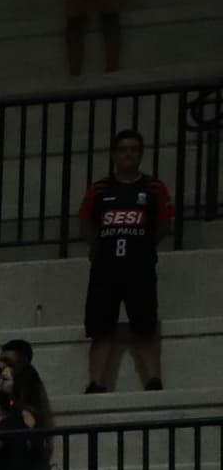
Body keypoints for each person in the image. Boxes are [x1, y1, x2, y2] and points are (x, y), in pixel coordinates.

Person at [76, 128, 175, 394]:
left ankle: (153, 381)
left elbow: (165, 224)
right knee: (101, 329)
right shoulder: (99, 189)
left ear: (140, 154)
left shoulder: (154, 188)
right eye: (123, 149)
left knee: (144, 327)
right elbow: (85, 224)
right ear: (114, 154)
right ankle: (96, 383)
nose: (128, 154)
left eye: (133, 149)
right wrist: (97, 249)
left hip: (140, 270)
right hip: (105, 271)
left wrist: (143, 248)